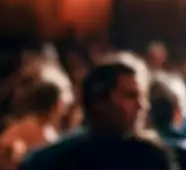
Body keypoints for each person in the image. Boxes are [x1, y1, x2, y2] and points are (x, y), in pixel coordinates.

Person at [19, 61, 176, 170]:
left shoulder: (154, 157)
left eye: (143, 97)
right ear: (99, 100)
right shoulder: (52, 161)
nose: (142, 106)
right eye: (130, 96)